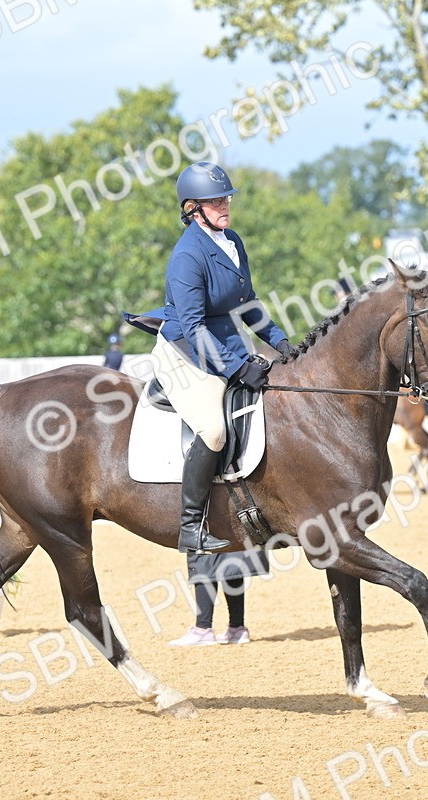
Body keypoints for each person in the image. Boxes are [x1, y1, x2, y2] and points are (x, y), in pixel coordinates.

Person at [125, 160, 294, 554]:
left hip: (225, 343)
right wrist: (238, 367)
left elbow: (248, 304)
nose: (225, 205)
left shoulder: (231, 241)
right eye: (215, 200)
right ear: (191, 209)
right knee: (214, 430)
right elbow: (194, 326)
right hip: (184, 351)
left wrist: (283, 343)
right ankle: (190, 526)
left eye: (226, 198)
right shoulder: (187, 256)